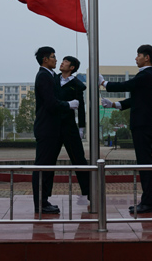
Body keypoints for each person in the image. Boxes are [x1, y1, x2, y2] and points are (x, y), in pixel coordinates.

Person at [100, 44, 152, 214]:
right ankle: (147, 201)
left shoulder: (146, 75)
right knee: (144, 161)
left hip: (143, 123)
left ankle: (148, 202)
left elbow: (127, 85)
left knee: (145, 162)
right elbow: (135, 100)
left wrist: (104, 83)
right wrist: (114, 104)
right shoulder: (145, 76)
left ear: (146, 57)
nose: (136, 58)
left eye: (138, 55)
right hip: (142, 123)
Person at [31, 46, 78, 214]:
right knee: (42, 166)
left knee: (48, 167)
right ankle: (40, 203)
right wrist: (68, 105)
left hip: (52, 128)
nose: (56, 60)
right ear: (45, 59)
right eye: (53, 57)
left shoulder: (50, 76)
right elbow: (51, 103)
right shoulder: (43, 76)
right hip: (46, 128)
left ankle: (44, 201)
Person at [55, 55, 90, 199]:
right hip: (54, 125)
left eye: (66, 62)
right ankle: (44, 197)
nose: (62, 63)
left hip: (69, 126)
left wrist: (81, 127)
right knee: (48, 160)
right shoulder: (53, 80)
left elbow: (81, 107)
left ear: (72, 68)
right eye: (62, 61)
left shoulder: (77, 84)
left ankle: (88, 192)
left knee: (79, 159)